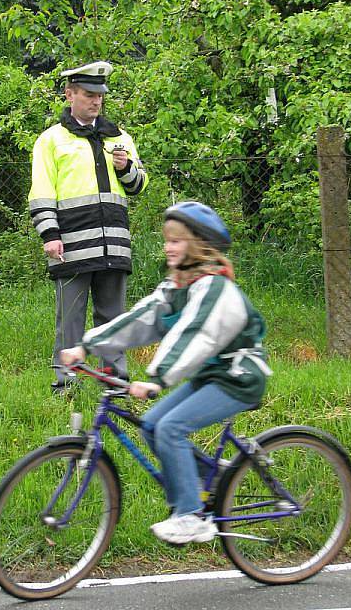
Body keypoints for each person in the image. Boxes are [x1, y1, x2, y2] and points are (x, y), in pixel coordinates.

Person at [60, 201, 271, 545]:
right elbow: (140, 318)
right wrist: (88, 345)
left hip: (238, 377)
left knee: (171, 428)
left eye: (177, 241)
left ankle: (190, 515)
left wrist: (157, 378)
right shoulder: (176, 287)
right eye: (167, 240)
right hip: (212, 375)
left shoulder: (216, 289)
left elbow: (194, 336)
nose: (168, 247)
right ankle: (210, 477)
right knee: (152, 425)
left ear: (199, 244)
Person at [29, 60, 148, 393]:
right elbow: (41, 191)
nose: (95, 101)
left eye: (99, 95)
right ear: (70, 95)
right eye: (88, 94)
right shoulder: (50, 140)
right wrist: (49, 235)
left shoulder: (120, 137)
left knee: (113, 318)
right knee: (70, 322)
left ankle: (115, 383)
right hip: (70, 246)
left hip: (114, 243)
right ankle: (65, 384)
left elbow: (139, 186)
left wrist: (126, 169)